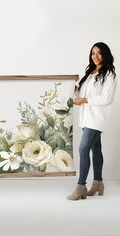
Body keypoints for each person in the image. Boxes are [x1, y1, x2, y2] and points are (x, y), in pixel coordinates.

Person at [67, 42, 117, 200]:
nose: (95, 56)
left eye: (99, 53)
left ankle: (81, 186)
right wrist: (74, 85)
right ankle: (98, 183)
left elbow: (106, 98)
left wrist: (85, 100)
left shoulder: (109, 74)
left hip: (97, 119)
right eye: (93, 53)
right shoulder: (89, 73)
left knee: (83, 149)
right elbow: (79, 93)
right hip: (86, 118)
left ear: (105, 55)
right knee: (95, 149)